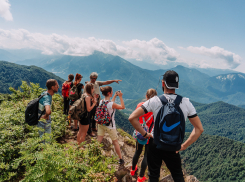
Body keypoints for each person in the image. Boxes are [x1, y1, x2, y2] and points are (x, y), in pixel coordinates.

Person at [128, 70, 204, 182]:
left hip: (155, 142)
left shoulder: (154, 100)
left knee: (153, 176)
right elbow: (199, 129)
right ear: (177, 85)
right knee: (178, 176)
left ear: (163, 83)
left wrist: (145, 134)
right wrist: (184, 146)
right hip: (173, 146)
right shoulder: (186, 102)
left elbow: (132, 118)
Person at [130, 89, 157, 182]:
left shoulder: (140, 105)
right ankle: (141, 177)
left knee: (137, 152)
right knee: (146, 155)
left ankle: (133, 170)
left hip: (140, 133)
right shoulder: (156, 109)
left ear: (146, 96)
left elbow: (135, 118)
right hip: (150, 135)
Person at [84, 72, 122, 136]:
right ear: (90, 77)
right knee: (89, 116)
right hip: (90, 102)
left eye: (95, 78)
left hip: (97, 102)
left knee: (95, 115)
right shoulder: (87, 85)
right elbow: (85, 94)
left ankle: (93, 127)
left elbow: (106, 82)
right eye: (93, 78)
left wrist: (114, 80)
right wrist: (92, 98)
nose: (94, 79)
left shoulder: (97, 83)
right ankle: (89, 130)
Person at [97, 86, 125, 164]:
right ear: (109, 93)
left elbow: (109, 103)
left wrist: (115, 96)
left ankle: (94, 154)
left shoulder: (101, 101)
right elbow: (122, 107)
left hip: (101, 124)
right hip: (110, 126)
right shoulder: (111, 104)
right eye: (112, 92)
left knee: (98, 140)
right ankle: (121, 159)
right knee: (115, 142)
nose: (112, 93)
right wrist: (120, 96)